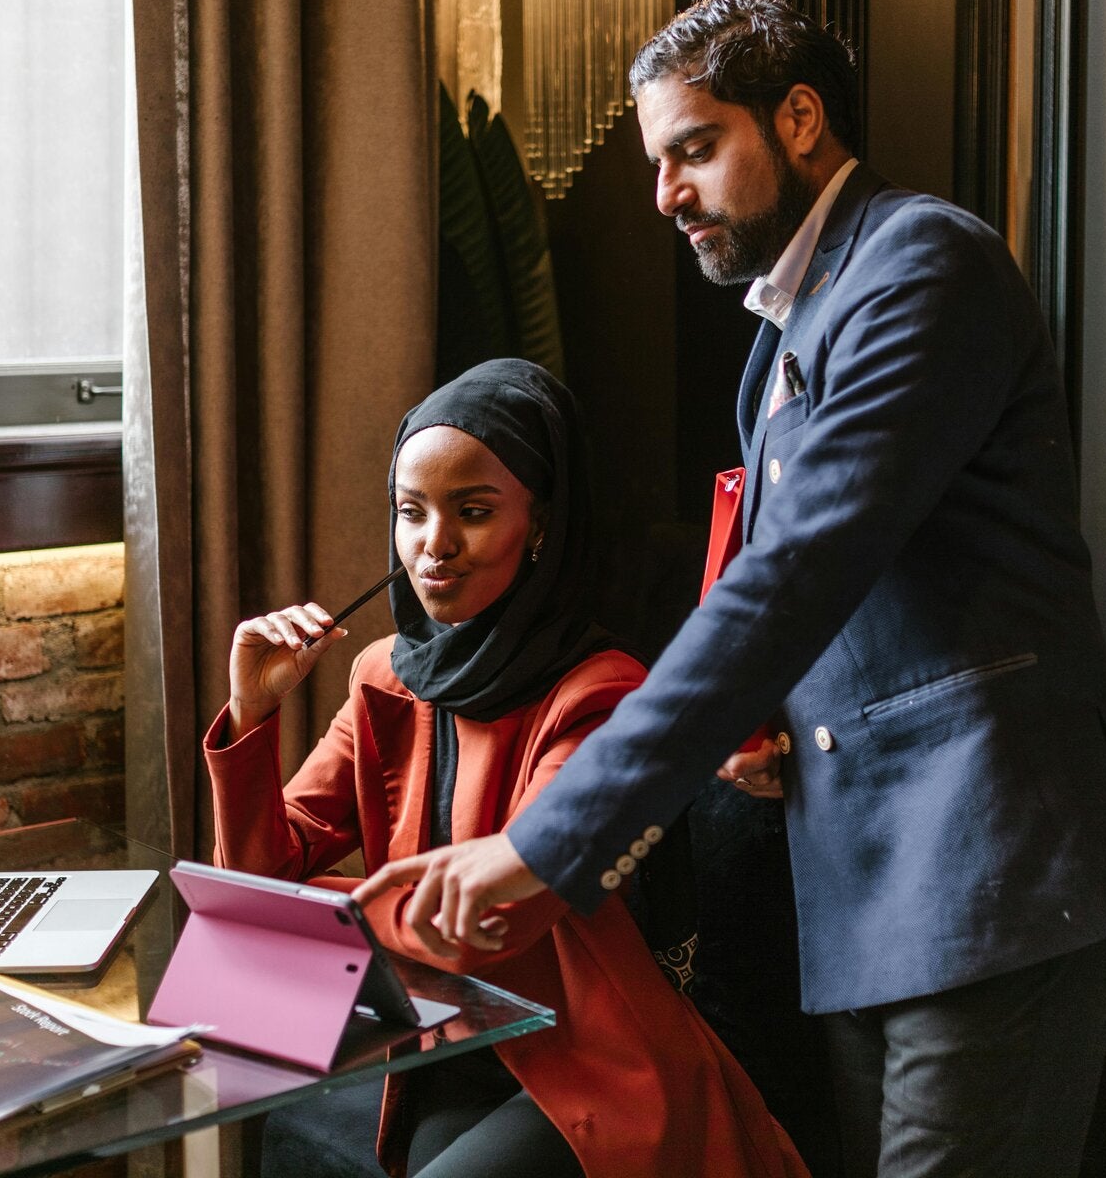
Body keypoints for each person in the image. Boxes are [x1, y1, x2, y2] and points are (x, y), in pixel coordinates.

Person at [356, 0, 1106, 1178]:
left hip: (991, 864)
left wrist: (542, 844)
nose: (666, 193)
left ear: (798, 119)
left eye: (695, 149)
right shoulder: (785, 328)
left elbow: (794, 575)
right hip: (866, 888)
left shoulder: (921, 262)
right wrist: (771, 725)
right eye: (658, 161)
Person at [202, 358, 808, 1178]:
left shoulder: (602, 692)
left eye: (474, 512)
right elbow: (260, 875)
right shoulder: (384, 676)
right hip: (453, 1047)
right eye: (411, 512)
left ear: (541, 525)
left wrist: (306, 921)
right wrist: (252, 713)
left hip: (588, 1059)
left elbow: (491, 921)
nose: (435, 544)